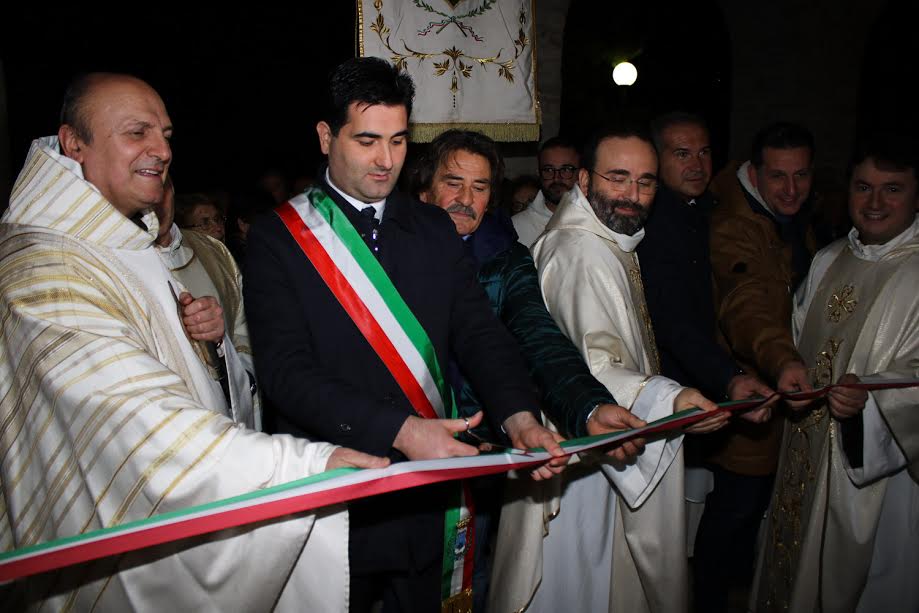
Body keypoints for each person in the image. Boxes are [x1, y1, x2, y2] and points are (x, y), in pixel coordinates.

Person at [0, 72, 387, 611]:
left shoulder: (119, 241)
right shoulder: (46, 267)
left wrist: (215, 345)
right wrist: (302, 466)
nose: (162, 150)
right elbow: (134, 416)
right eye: (137, 132)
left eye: (165, 134)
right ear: (74, 143)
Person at [243, 57, 565, 613]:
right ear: (326, 137)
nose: (386, 161)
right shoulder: (279, 237)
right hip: (338, 493)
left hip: (427, 497)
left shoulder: (433, 227)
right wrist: (402, 430)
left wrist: (520, 417)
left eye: (397, 141)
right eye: (367, 140)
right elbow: (285, 373)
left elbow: (478, 332)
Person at [493, 125, 730, 613]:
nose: (631, 195)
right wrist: (670, 399)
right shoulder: (578, 250)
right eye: (617, 177)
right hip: (580, 460)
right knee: (579, 583)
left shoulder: (609, 241)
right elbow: (593, 365)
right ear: (584, 180)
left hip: (602, 455)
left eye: (645, 182)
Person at [409, 129, 643, 612]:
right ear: (425, 189)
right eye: (453, 183)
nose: (465, 199)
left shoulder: (505, 257)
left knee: (463, 581)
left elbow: (537, 336)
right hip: (396, 446)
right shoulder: (387, 248)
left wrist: (589, 405)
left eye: (479, 187)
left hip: (476, 449)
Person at [752, 132, 919, 612]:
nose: (875, 202)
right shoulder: (827, 259)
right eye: (863, 187)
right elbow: (795, 339)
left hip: (881, 477)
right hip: (803, 452)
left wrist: (873, 398)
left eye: (892, 189)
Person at [638, 112, 774, 612]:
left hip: (713, 376)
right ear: (658, 159)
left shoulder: (710, 208)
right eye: (681, 153)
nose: (696, 164)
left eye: (703, 152)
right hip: (676, 388)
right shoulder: (654, 222)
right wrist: (729, 376)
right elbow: (673, 320)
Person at [704, 122, 817, 600]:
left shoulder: (790, 218)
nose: (791, 189)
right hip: (754, 396)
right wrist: (782, 359)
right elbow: (745, 302)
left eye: (801, 175)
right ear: (754, 173)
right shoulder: (735, 225)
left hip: (782, 396)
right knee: (735, 514)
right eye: (778, 176)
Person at [154, 176, 258, 399]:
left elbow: (242, 324)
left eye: (217, 219)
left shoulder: (216, 252)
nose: (216, 227)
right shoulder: (120, 260)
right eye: (205, 222)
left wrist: (243, 375)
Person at [512, 136, 580, 247]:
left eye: (566, 169)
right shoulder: (517, 227)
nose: (557, 178)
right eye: (548, 170)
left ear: (581, 174)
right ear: (538, 173)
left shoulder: (597, 222)